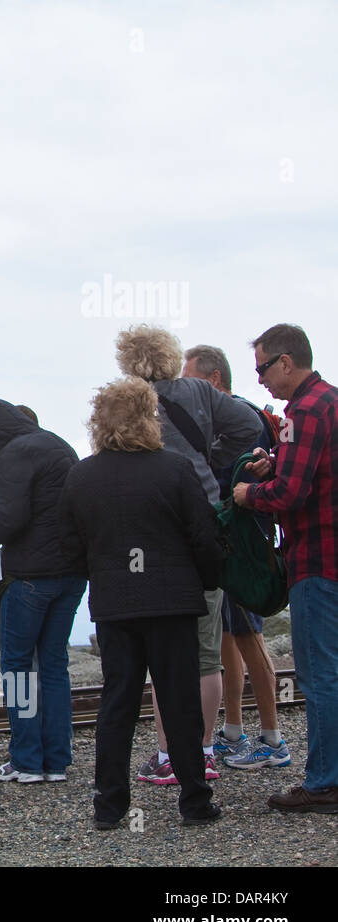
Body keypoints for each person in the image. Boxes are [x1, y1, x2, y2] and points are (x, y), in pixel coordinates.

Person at [59, 377, 223, 828]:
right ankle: (194, 800)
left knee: (117, 705)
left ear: (99, 420)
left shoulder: (82, 476)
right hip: (171, 603)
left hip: (115, 604)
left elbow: (72, 547)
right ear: (149, 418)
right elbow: (203, 536)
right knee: (179, 702)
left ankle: (109, 806)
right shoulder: (174, 470)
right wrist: (206, 583)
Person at [115, 325, 260, 785]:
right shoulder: (199, 391)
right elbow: (249, 426)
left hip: (150, 530)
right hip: (202, 520)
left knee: (163, 652)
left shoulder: (129, 401)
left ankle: (167, 754)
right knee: (205, 653)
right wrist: (214, 456)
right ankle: (203, 751)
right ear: (169, 356)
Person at [233, 324, 338, 812]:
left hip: (317, 560)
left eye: (263, 368)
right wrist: (274, 460)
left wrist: (248, 494)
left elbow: (292, 495)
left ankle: (323, 784)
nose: (260, 381)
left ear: (287, 362)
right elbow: (312, 472)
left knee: (319, 677)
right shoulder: (330, 402)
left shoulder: (303, 410)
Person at [0, 400, 87, 784]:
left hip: (31, 576)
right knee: (53, 664)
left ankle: (26, 761)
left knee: (17, 666)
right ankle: (56, 761)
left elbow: (12, 521)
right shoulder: (58, 444)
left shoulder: (12, 455)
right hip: (71, 574)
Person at [180, 345, 289, 770]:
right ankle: (234, 731)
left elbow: (243, 479)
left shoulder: (242, 418)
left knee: (247, 636)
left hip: (244, 546)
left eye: (190, 381)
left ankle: (273, 738)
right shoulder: (225, 419)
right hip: (224, 546)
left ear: (211, 380)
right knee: (225, 639)